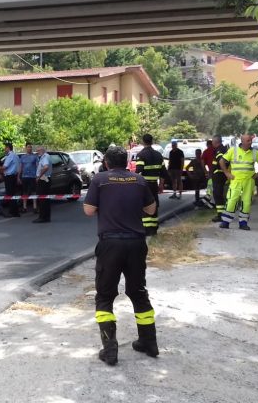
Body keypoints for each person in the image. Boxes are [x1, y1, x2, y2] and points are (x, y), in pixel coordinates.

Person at [83, 146, 159, 366]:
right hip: (136, 243)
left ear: (106, 162)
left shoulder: (100, 180)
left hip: (111, 244)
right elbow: (151, 210)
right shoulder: (139, 180)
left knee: (105, 296)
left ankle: (110, 349)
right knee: (138, 292)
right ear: (127, 162)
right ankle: (149, 342)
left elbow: (88, 210)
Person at [219, 134, 258, 230]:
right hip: (236, 181)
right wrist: (226, 173)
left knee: (246, 202)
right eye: (248, 140)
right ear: (242, 141)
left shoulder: (254, 152)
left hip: (249, 182)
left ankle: (243, 223)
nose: (250, 142)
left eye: (250, 140)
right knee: (232, 201)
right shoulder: (233, 150)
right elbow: (221, 161)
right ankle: (225, 222)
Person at [135, 134, 165, 235]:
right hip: (154, 185)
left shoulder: (141, 155)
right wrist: (161, 184)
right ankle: (154, 228)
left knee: (145, 206)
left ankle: (146, 229)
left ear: (143, 142)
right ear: (152, 141)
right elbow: (163, 172)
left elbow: (138, 171)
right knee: (154, 204)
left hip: (144, 185)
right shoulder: (158, 155)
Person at [210, 135, 229, 222]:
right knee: (218, 195)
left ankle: (221, 215)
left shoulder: (220, 150)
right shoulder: (222, 149)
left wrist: (222, 171)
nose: (212, 143)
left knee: (218, 195)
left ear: (216, 142)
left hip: (219, 176)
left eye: (213, 142)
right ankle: (220, 214)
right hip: (219, 175)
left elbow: (222, 161)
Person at [34, 146, 52, 223]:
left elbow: (45, 167)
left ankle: (42, 217)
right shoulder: (45, 156)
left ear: (42, 150)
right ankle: (46, 217)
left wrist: (39, 176)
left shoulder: (44, 157)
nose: (37, 152)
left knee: (42, 199)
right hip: (46, 179)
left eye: (38, 150)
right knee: (45, 199)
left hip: (43, 180)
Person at [18, 143, 39, 214]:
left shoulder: (35, 156)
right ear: (26, 148)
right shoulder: (23, 157)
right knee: (24, 192)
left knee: (34, 192)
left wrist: (37, 176)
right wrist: (18, 177)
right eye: (28, 147)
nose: (29, 148)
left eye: (30, 147)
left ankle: (35, 207)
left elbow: (38, 166)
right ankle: (24, 207)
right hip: (24, 177)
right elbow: (20, 167)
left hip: (32, 177)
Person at [2, 142, 21, 217]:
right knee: (13, 195)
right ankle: (16, 212)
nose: (4, 149)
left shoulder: (10, 156)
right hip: (14, 176)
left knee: (10, 195)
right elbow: (19, 167)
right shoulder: (16, 156)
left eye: (5, 148)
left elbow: (5, 167)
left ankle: (11, 212)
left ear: (8, 148)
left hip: (9, 177)